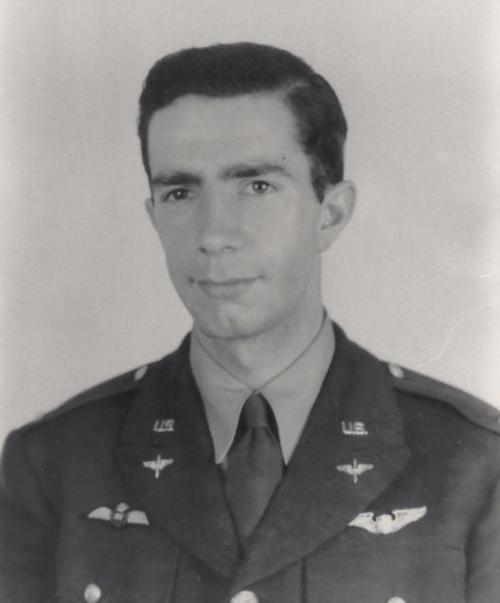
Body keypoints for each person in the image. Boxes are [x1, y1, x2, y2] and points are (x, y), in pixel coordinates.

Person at [1, 42, 499, 603]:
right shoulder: (53, 463)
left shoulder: (475, 464)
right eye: (180, 192)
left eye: (257, 186)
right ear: (154, 217)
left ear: (331, 213)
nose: (214, 234)